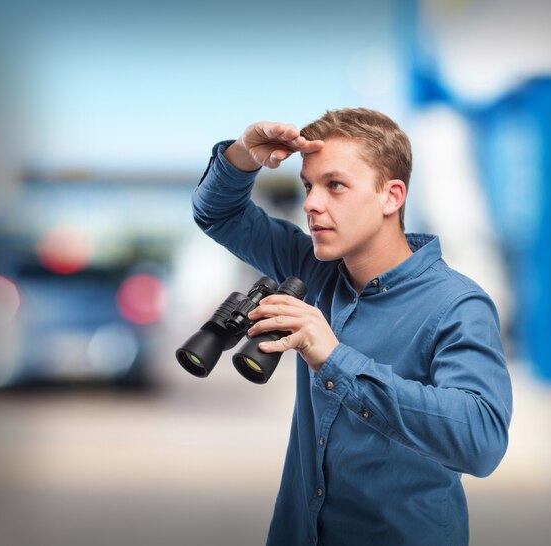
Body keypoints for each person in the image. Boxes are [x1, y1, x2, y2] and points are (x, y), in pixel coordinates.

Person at [192, 108, 513, 545]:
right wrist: (243, 154)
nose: (311, 203)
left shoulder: (457, 304)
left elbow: (482, 442)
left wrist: (335, 358)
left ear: (391, 197)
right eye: (308, 186)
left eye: (335, 186)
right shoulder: (313, 268)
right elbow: (218, 214)